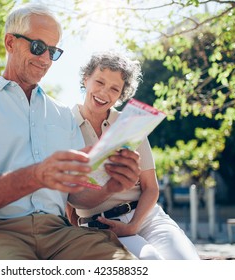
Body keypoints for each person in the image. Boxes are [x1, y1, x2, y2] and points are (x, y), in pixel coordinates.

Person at [0, 4, 140, 260]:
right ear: (10, 42)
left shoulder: (62, 115)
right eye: (38, 47)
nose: (45, 59)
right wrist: (36, 175)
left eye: (53, 51)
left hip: (59, 234)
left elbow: (77, 195)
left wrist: (111, 186)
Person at [67, 51, 201, 260]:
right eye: (99, 82)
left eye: (114, 89)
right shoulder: (64, 125)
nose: (104, 92)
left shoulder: (132, 124)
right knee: (150, 262)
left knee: (187, 262)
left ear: (122, 94)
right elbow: (67, 197)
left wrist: (133, 226)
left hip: (147, 218)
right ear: (86, 78)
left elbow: (151, 187)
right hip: (100, 225)